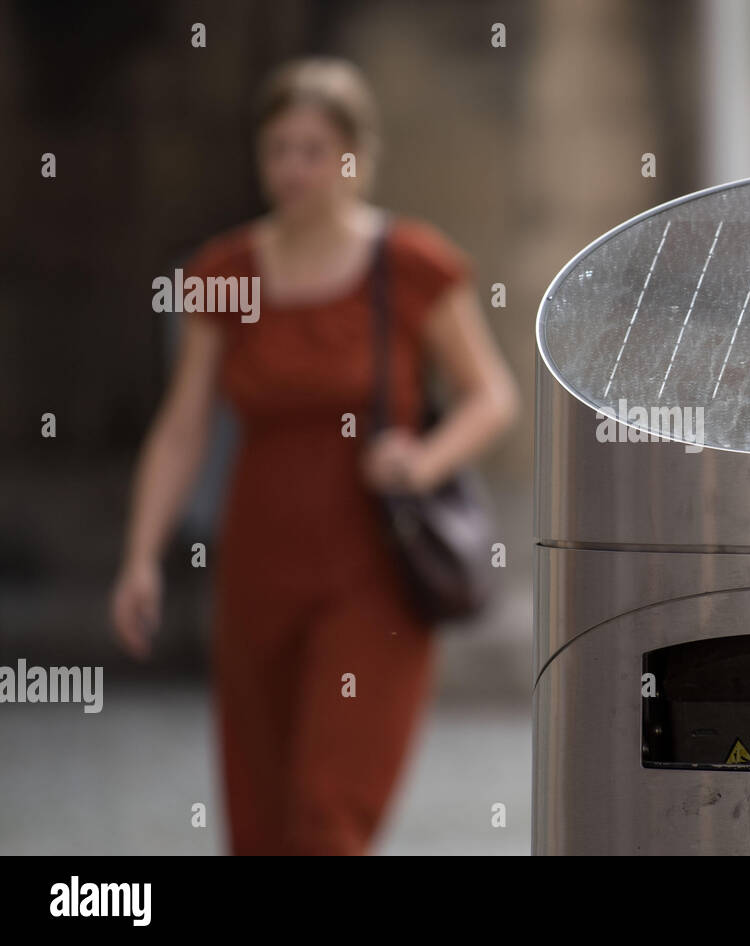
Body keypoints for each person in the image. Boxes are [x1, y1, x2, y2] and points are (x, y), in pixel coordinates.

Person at [109, 58, 519, 854]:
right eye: (278, 150)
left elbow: (492, 395)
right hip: (258, 570)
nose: (293, 169)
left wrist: (421, 461)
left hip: (373, 571)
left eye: (313, 150)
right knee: (258, 822)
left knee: (329, 815)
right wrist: (140, 559)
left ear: (357, 159)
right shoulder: (224, 273)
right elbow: (183, 427)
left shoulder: (410, 265)